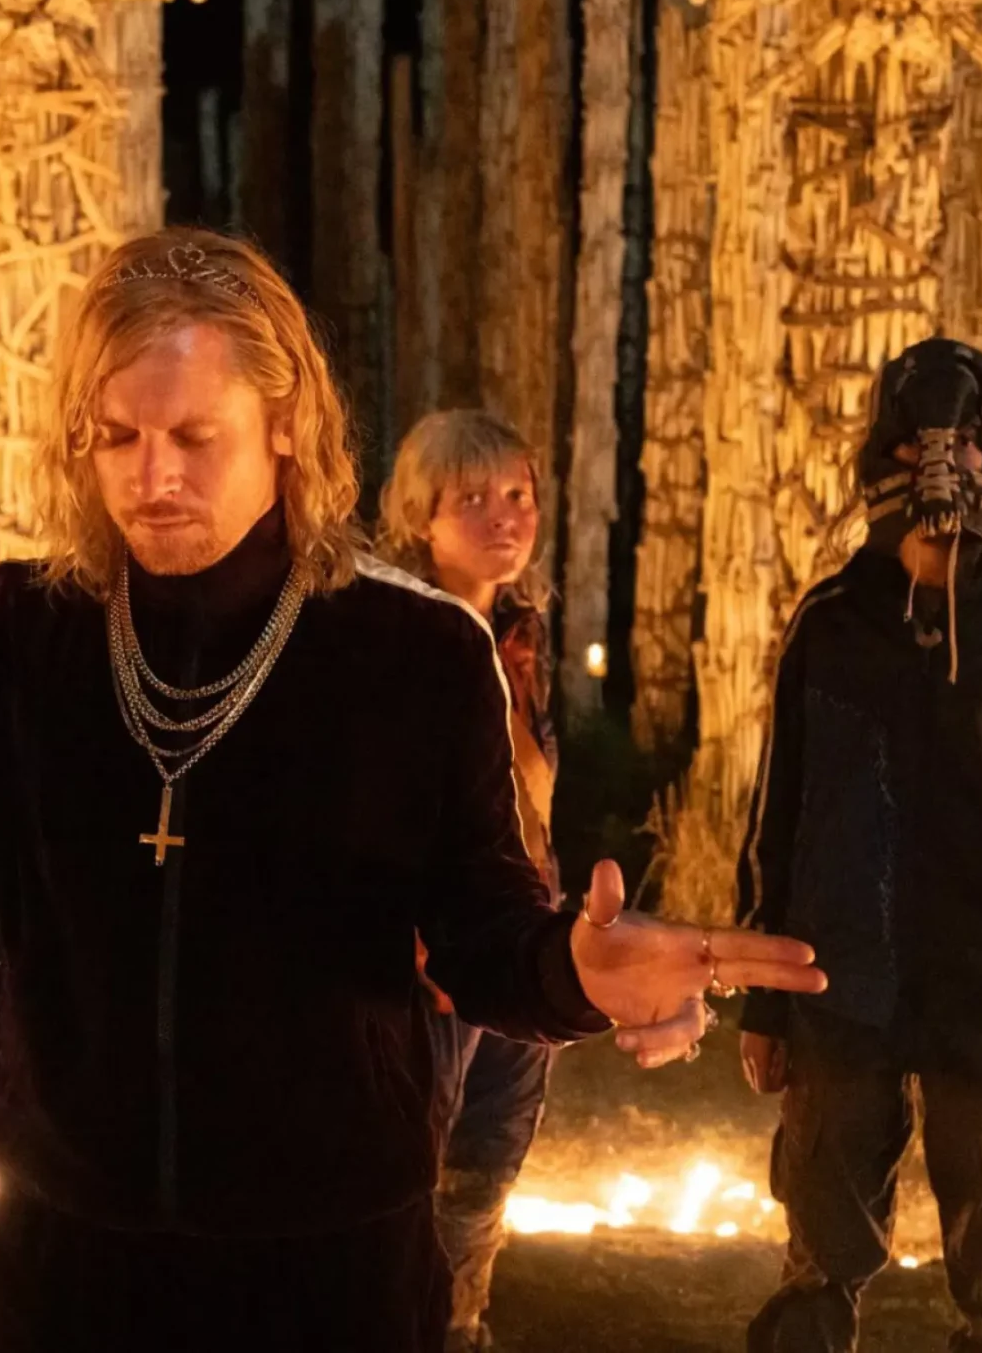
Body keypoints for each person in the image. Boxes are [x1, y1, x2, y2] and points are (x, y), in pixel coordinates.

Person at [0, 226, 827, 1351]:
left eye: (196, 435)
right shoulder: (18, 633)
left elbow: (483, 936)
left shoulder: (411, 654)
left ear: (287, 422)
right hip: (66, 1264)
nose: (152, 476)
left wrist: (575, 973)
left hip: (331, 1271)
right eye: (116, 436)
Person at [735, 338, 982, 1353]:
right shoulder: (832, 623)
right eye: (914, 445)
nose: (938, 469)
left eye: (961, 444)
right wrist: (765, 996)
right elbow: (780, 813)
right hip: (840, 986)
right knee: (819, 1258)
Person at [377, 409, 562, 1353]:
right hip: (430, 955)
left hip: (518, 936)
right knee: (414, 1158)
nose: (505, 515)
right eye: (474, 498)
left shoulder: (518, 640)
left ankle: (461, 1320)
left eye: (518, 495)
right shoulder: (392, 641)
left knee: (490, 1156)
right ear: (422, 515)